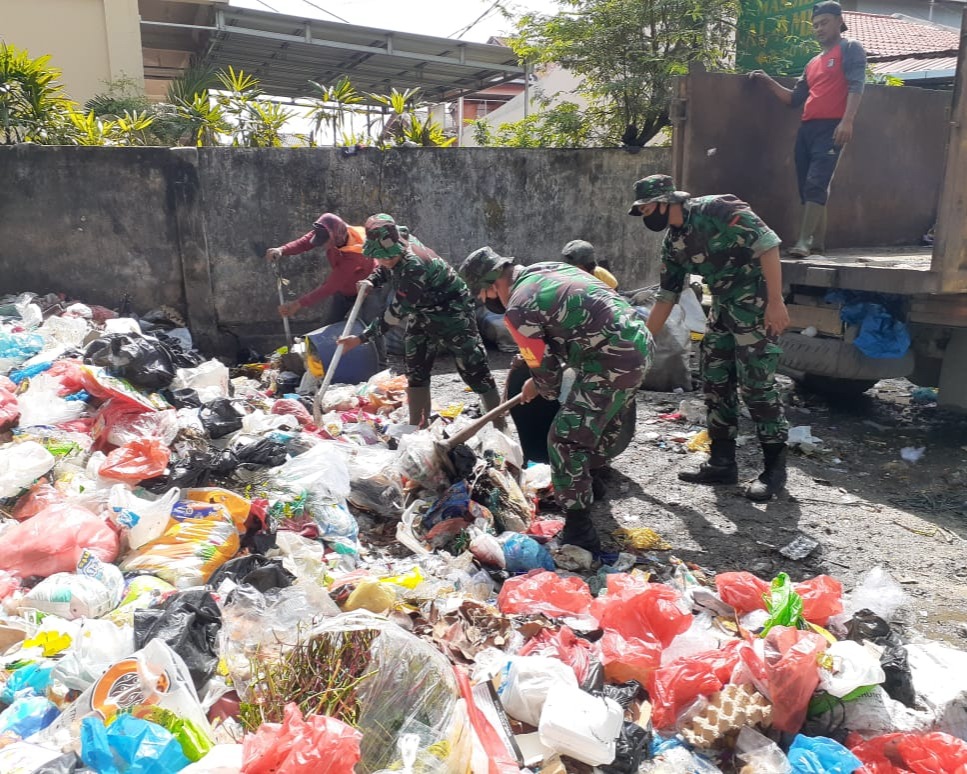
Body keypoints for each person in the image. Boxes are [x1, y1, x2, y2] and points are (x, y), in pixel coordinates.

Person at [460, 247, 652, 552]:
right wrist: (537, 376)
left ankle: (579, 530)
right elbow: (566, 331)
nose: (485, 301)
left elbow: (548, 381)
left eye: (483, 295)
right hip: (639, 344)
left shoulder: (518, 309)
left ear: (493, 285)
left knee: (565, 438)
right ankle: (591, 483)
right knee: (597, 423)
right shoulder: (547, 269)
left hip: (611, 359)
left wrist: (537, 385)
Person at [629, 174, 790, 501]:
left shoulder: (717, 209)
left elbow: (767, 244)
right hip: (722, 308)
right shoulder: (673, 242)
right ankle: (722, 463)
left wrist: (776, 302)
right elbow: (667, 295)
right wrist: (643, 342)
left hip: (755, 306)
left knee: (757, 386)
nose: (645, 217)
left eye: (646, 209)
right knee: (715, 383)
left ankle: (774, 470)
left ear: (665, 201)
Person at [337, 214, 503, 428]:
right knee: (416, 367)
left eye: (388, 257)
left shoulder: (414, 268)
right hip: (422, 309)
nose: (385, 261)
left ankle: (499, 424)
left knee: (473, 367)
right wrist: (372, 280)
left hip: (452, 309)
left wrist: (360, 339)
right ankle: (418, 427)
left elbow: (394, 314)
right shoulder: (398, 238)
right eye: (381, 257)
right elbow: (386, 267)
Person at [749, 1, 866, 257]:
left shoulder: (850, 48)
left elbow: (857, 85)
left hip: (832, 127)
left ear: (839, 21)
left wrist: (847, 120)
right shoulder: (813, 62)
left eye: (824, 23)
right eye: (815, 25)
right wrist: (767, 81)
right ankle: (817, 243)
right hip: (807, 129)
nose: (819, 29)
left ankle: (803, 242)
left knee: (816, 182)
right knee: (807, 186)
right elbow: (794, 99)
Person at [264, 212, 388, 366]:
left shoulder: (356, 252)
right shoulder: (329, 231)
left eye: (326, 242)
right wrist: (282, 249)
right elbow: (306, 242)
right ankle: (320, 363)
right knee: (327, 325)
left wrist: (298, 304)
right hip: (345, 289)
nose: (324, 245)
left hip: (369, 288)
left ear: (336, 236)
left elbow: (330, 286)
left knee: (371, 326)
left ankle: (381, 363)